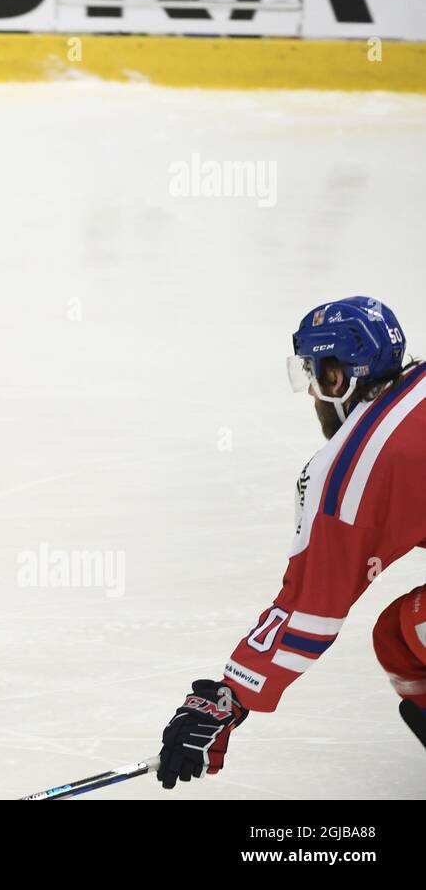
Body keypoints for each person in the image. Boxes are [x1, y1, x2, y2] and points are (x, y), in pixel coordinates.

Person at [158, 296, 426, 788]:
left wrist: (229, 698)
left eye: (315, 373)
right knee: (400, 635)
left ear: (340, 377)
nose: (311, 394)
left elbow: (311, 609)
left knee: (410, 633)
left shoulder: (358, 464)